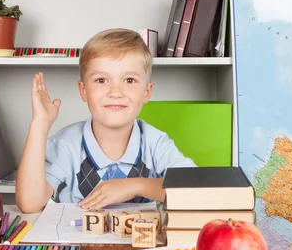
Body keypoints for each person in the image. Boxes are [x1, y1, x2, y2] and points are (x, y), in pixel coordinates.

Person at [15, 28, 196, 213]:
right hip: (78, 240)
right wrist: (40, 123)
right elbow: (30, 203)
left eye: (130, 80)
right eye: (101, 80)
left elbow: (197, 191)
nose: (115, 92)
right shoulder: (66, 144)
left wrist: (136, 186)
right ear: (83, 90)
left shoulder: (155, 142)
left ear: (147, 92)